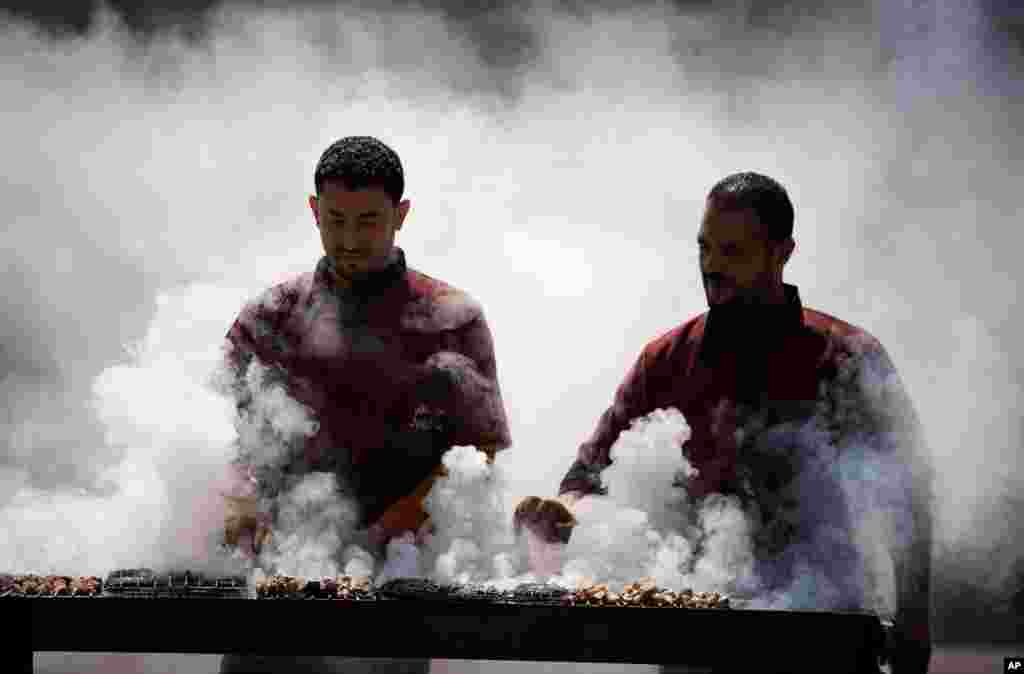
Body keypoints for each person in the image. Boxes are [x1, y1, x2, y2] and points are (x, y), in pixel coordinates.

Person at [514, 172, 933, 674]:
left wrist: (914, 622)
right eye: (704, 248)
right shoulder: (667, 360)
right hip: (696, 639)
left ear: (782, 252)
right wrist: (564, 512)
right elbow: (588, 475)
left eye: (732, 252)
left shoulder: (846, 358)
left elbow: (908, 497)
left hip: (819, 635)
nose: (711, 266)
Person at [219, 136, 511, 674]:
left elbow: (484, 445)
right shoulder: (269, 316)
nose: (349, 239)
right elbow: (218, 425)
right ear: (313, 211)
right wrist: (240, 497)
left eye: (368, 221)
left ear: (401, 215)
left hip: (391, 591)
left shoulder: (452, 318)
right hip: (274, 587)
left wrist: (406, 515)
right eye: (335, 220)